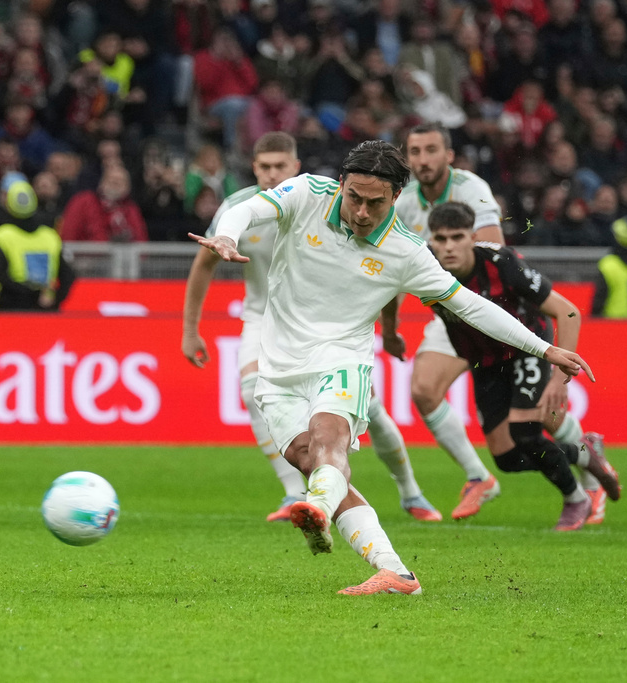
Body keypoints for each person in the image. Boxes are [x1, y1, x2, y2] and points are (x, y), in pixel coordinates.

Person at [192, 140, 594, 595]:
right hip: (279, 365)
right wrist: (226, 234)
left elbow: (473, 306)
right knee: (308, 458)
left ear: (396, 197)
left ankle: (318, 508)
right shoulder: (306, 193)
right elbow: (248, 210)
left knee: (329, 441)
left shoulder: (407, 252)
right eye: (355, 198)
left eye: (375, 203)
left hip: (343, 358)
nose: (362, 211)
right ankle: (396, 572)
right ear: (341, 185)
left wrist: (544, 348)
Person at [182, 132, 442, 524]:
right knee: (252, 388)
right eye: (264, 167)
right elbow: (204, 264)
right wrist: (190, 329)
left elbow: (389, 278)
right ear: (254, 168)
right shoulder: (239, 207)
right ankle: (293, 491)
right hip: (262, 317)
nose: (272, 174)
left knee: (368, 406)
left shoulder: (324, 203)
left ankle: (410, 491)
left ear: (295, 166)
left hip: (330, 320)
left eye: (279, 166)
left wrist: (389, 329)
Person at [393, 122, 604, 521]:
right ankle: (480, 476)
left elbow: (491, 256)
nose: (423, 160)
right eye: (415, 152)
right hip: (450, 309)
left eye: (431, 150)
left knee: (534, 419)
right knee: (425, 392)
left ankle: (585, 473)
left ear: (449, 155)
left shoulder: (471, 190)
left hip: (488, 308)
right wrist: (389, 328)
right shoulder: (404, 204)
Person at [426, 202, 620, 530]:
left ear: (472, 237)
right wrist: (389, 331)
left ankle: (576, 499)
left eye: (457, 237)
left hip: (527, 348)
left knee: (526, 433)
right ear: (430, 240)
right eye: (440, 239)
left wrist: (559, 379)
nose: (448, 247)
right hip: (484, 361)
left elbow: (569, 312)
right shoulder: (424, 268)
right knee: (506, 459)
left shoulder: (502, 263)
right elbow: (390, 290)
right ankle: (585, 452)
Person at [0, 173, 76, 312]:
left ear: (9, 203)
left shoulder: (1, 236)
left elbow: (0, 275)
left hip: (11, 309)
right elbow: (68, 275)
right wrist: (55, 299)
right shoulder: (50, 236)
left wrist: (29, 295)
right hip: (44, 310)